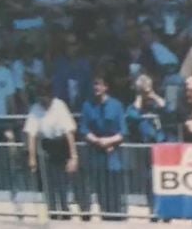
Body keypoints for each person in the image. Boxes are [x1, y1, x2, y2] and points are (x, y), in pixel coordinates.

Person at [24, 79, 79, 217]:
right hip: (47, 148)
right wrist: (32, 158)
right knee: (48, 185)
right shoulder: (35, 109)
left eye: (45, 95)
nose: (43, 99)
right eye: (40, 96)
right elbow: (31, 134)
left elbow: (69, 132)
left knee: (62, 183)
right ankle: (52, 212)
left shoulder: (59, 106)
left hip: (61, 147)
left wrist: (73, 156)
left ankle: (65, 211)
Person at [79, 75, 128, 219]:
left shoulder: (116, 105)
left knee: (115, 190)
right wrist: (98, 141)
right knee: (100, 190)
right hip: (96, 154)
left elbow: (123, 132)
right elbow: (84, 129)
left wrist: (109, 141)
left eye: (99, 84)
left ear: (106, 87)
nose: (96, 87)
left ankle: (117, 217)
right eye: (94, 84)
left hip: (114, 155)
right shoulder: (87, 105)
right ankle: (105, 218)